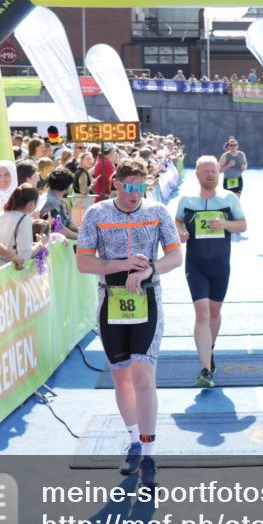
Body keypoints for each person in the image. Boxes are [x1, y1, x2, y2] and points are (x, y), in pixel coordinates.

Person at [76, 158, 183, 488]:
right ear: (116, 185)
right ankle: (134, 441)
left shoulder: (157, 212)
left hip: (148, 301)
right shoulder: (96, 214)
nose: (135, 194)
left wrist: (150, 269)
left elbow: (175, 256)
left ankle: (150, 454)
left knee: (144, 377)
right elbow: (83, 262)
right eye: (129, 187)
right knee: (121, 378)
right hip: (110, 302)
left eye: (141, 187)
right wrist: (120, 264)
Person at [175, 155, 247, 388]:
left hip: (220, 265)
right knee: (202, 314)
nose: (210, 175)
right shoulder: (186, 200)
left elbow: (243, 225)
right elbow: (178, 220)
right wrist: (181, 232)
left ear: (219, 173)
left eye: (214, 171)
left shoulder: (229, 199)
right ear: (196, 174)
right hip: (196, 265)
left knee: (214, 312)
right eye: (205, 171)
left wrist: (225, 224)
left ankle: (209, 348)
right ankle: (206, 370)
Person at [0, 184, 48, 263]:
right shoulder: (24, 219)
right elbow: (25, 255)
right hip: (7, 271)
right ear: (32, 203)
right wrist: (40, 243)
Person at [39, 168, 78, 240]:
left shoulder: (54, 199)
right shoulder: (50, 203)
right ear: (66, 187)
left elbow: (68, 223)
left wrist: (83, 232)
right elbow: (59, 229)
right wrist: (82, 237)